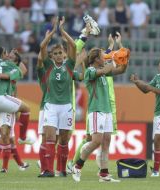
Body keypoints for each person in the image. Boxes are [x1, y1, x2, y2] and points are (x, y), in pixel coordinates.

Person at [71, 44, 128, 182]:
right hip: (96, 110)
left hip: (107, 111)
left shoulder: (103, 69)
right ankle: (77, 166)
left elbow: (120, 70)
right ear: (96, 59)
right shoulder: (90, 70)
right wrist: (115, 57)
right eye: (103, 56)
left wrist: (125, 59)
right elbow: (104, 70)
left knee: (106, 143)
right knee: (96, 141)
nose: (105, 58)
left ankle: (104, 174)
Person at [37, 16, 77, 177]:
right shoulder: (48, 66)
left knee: (64, 140)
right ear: (52, 56)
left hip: (66, 107)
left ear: (65, 54)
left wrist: (63, 31)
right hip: (50, 106)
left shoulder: (69, 65)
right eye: (56, 53)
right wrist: (52, 32)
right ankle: (48, 170)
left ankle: (62, 169)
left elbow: (73, 45)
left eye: (61, 53)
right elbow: (42, 46)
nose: (59, 55)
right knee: (50, 137)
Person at [130, 55, 160, 177]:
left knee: (157, 139)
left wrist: (146, 85)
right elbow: (146, 90)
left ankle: (156, 171)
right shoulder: (158, 77)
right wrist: (137, 83)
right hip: (158, 112)